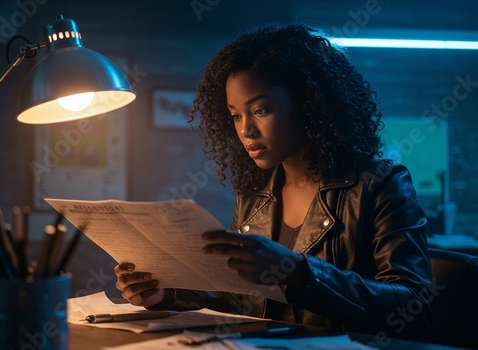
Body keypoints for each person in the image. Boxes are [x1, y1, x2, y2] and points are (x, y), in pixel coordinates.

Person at [115, 23, 434, 340]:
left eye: (261, 109)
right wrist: (165, 295)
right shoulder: (255, 194)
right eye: (236, 115)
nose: (246, 130)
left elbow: (413, 309)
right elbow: (244, 300)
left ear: (309, 105)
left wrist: (299, 271)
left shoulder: (379, 183)